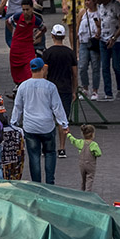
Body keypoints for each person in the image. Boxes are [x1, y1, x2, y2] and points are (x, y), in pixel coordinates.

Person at [12, 58, 69, 185]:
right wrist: (64, 124)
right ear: (43, 69)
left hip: (30, 127)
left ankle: (36, 185)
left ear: (31, 69)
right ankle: (50, 183)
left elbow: (18, 107)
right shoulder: (50, 86)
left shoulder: (23, 86)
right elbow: (57, 107)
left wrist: (14, 123)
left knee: (34, 156)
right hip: (47, 126)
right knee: (50, 153)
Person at [43, 25, 77, 156]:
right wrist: (74, 90)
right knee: (63, 120)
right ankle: (62, 148)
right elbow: (74, 74)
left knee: (49, 119)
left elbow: (45, 73)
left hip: (50, 89)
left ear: (52, 36)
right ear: (63, 37)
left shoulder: (48, 53)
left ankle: (48, 147)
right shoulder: (70, 53)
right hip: (66, 89)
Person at [9, 0, 44, 88]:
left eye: (27, 9)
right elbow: (8, 22)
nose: (25, 12)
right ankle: (18, 87)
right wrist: (13, 33)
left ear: (32, 8)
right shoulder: (17, 17)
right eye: (23, 9)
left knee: (29, 70)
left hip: (28, 48)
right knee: (16, 70)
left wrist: (36, 37)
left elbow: (43, 29)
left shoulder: (36, 20)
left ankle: (29, 88)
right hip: (16, 48)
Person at [77, 0, 102, 101]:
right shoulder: (83, 12)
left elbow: (102, 27)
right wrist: (77, 46)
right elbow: (77, 28)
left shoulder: (99, 12)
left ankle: (95, 90)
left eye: (89, 0)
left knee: (95, 67)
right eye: (86, 0)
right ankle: (85, 88)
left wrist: (98, 30)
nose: (87, 2)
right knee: (82, 66)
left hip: (94, 43)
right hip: (84, 42)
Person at [65, 124, 101, 192]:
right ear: (92, 134)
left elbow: (74, 140)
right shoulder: (94, 144)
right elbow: (98, 153)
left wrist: (68, 134)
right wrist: (94, 154)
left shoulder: (80, 142)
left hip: (82, 164)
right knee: (89, 178)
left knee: (83, 178)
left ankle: (82, 191)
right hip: (90, 164)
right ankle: (88, 191)